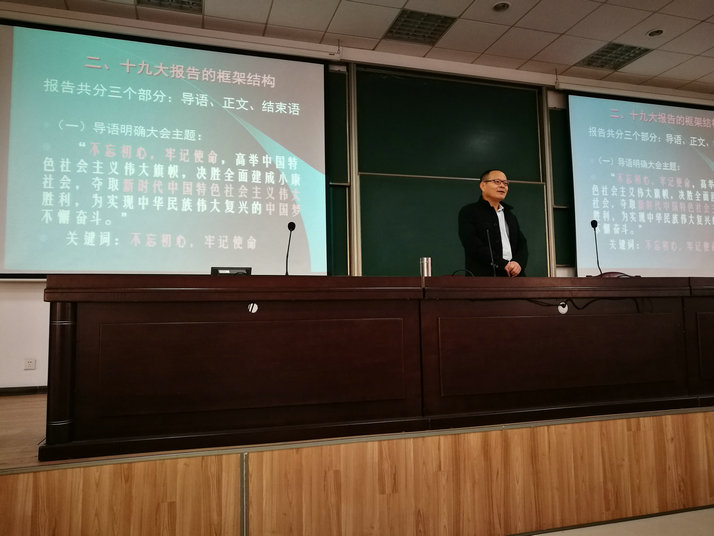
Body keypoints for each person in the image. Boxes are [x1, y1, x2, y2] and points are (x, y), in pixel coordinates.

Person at [458, 169, 528, 277]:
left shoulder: (510, 215)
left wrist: (518, 263)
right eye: (497, 182)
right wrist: (502, 264)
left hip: (514, 276)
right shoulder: (469, 212)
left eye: (505, 183)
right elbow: (472, 244)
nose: (502, 186)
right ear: (483, 186)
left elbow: (522, 244)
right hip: (484, 277)